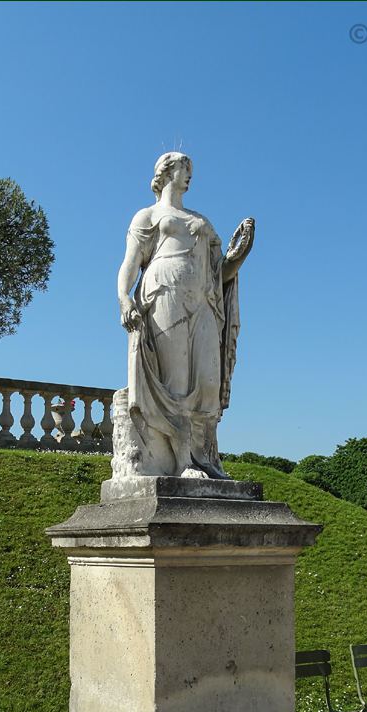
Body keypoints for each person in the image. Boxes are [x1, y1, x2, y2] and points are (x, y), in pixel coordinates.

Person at [116, 152, 254, 479]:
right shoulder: (147, 216)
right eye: (184, 167)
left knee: (208, 381)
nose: (189, 174)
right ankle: (183, 462)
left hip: (203, 300)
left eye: (191, 169)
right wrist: (123, 298)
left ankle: (207, 459)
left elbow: (221, 272)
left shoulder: (202, 221)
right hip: (164, 294)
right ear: (166, 171)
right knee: (175, 383)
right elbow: (131, 262)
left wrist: (239, 255)